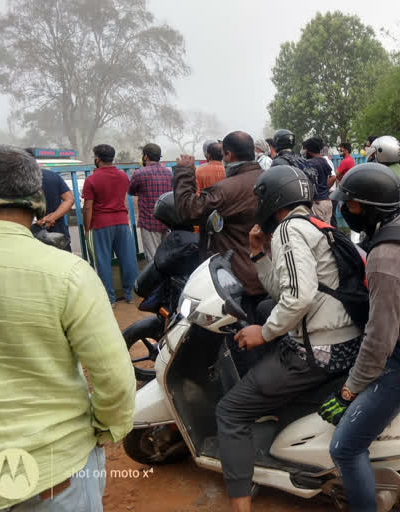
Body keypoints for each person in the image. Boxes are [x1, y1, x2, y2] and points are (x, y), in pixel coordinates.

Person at [0, 144, 135, 512]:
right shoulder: (67, 272)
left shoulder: (95, 179)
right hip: (52, 473)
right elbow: (114, 377)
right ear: (35, 199)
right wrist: (105, 428)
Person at [216, 165, 363, 512]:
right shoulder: (316, 225)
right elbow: (285, 290)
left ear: (272, 200)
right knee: (268, 308)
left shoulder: (287, 230)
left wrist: (263, 333)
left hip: (316, 353)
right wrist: (257, 253)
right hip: (344, 345)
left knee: (230, 412)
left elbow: (298, 298)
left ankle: (240, 504)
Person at [320, 162, 400, 511]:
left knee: (344, 448)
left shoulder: (386, 257)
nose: (346, 210)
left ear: (372, 209)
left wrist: (350, 390)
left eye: (352, 205)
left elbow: (380, 341)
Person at [172, 131, 266, 317]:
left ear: (229, 155)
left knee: (243, 331)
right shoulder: (267, 178)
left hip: (240, 275)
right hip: (268, 270)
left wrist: (184, 172)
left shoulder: (228, 188)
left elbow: (188, 211)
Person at [83, 144, 139, 305]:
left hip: (100, 224)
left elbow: (88, 207)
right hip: (121, 222)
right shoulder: (122, 176)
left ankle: (109, 299)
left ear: (97, 159)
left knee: (102, 262)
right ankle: (131, 294)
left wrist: (87, 229)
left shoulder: (91, 179)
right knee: (128, 259)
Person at [127, 143, 172, 262]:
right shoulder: (168, 173)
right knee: (165, 256)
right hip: (166, 221)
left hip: (149, 222)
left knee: (153, 259)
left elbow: (131, 191)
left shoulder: (140, 173)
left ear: (146, 157)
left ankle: (155, 280)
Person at [35, 165, 74, 243]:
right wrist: (51, 218)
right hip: (57, 235)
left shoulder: (13, 179)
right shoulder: (51, 175)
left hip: (30, 236)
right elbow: (69, 199)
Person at [302, 137, 334, 223]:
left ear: (309, 150)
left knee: (319, 230)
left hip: (317, 203)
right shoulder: (323, 161)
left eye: (304, 149)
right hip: (327, 201)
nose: (303, 151)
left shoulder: (309, 163)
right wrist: (324, 188)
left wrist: (318, 191)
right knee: (328, 229)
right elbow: (333, 177)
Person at [368, 135, 400, 201]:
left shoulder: (385, 172)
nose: (374, 156)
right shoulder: (399, 167)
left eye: (375, 153)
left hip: (391, 208)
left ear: (382, 152)